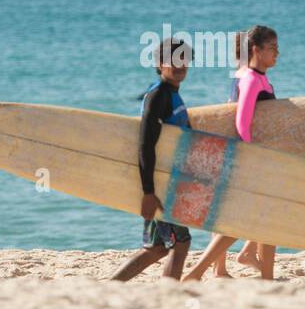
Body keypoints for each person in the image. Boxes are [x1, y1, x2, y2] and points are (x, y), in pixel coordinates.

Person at [184, 25, 281, 281]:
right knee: (255, 217)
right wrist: (249, 154)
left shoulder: (245, 75)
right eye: (272, 48)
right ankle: (204, 270)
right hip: (248, 157)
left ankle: (225, 267)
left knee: (244, 215)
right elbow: (241, 121)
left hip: (241, 154)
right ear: (256, 50)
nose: (277, 53)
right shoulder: (251, 79)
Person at [110, 38, 195, 281]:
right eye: (174, 60)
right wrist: (148, 191)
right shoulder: (159, 96)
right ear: (160, 63)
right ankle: (170, 295)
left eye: (185, 60)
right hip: (160, 184)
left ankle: (109, 287)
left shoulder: (171, 94)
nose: (181, 65)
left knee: (157, 248)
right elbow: (145, 143)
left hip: (165, 182)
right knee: (181, 243)